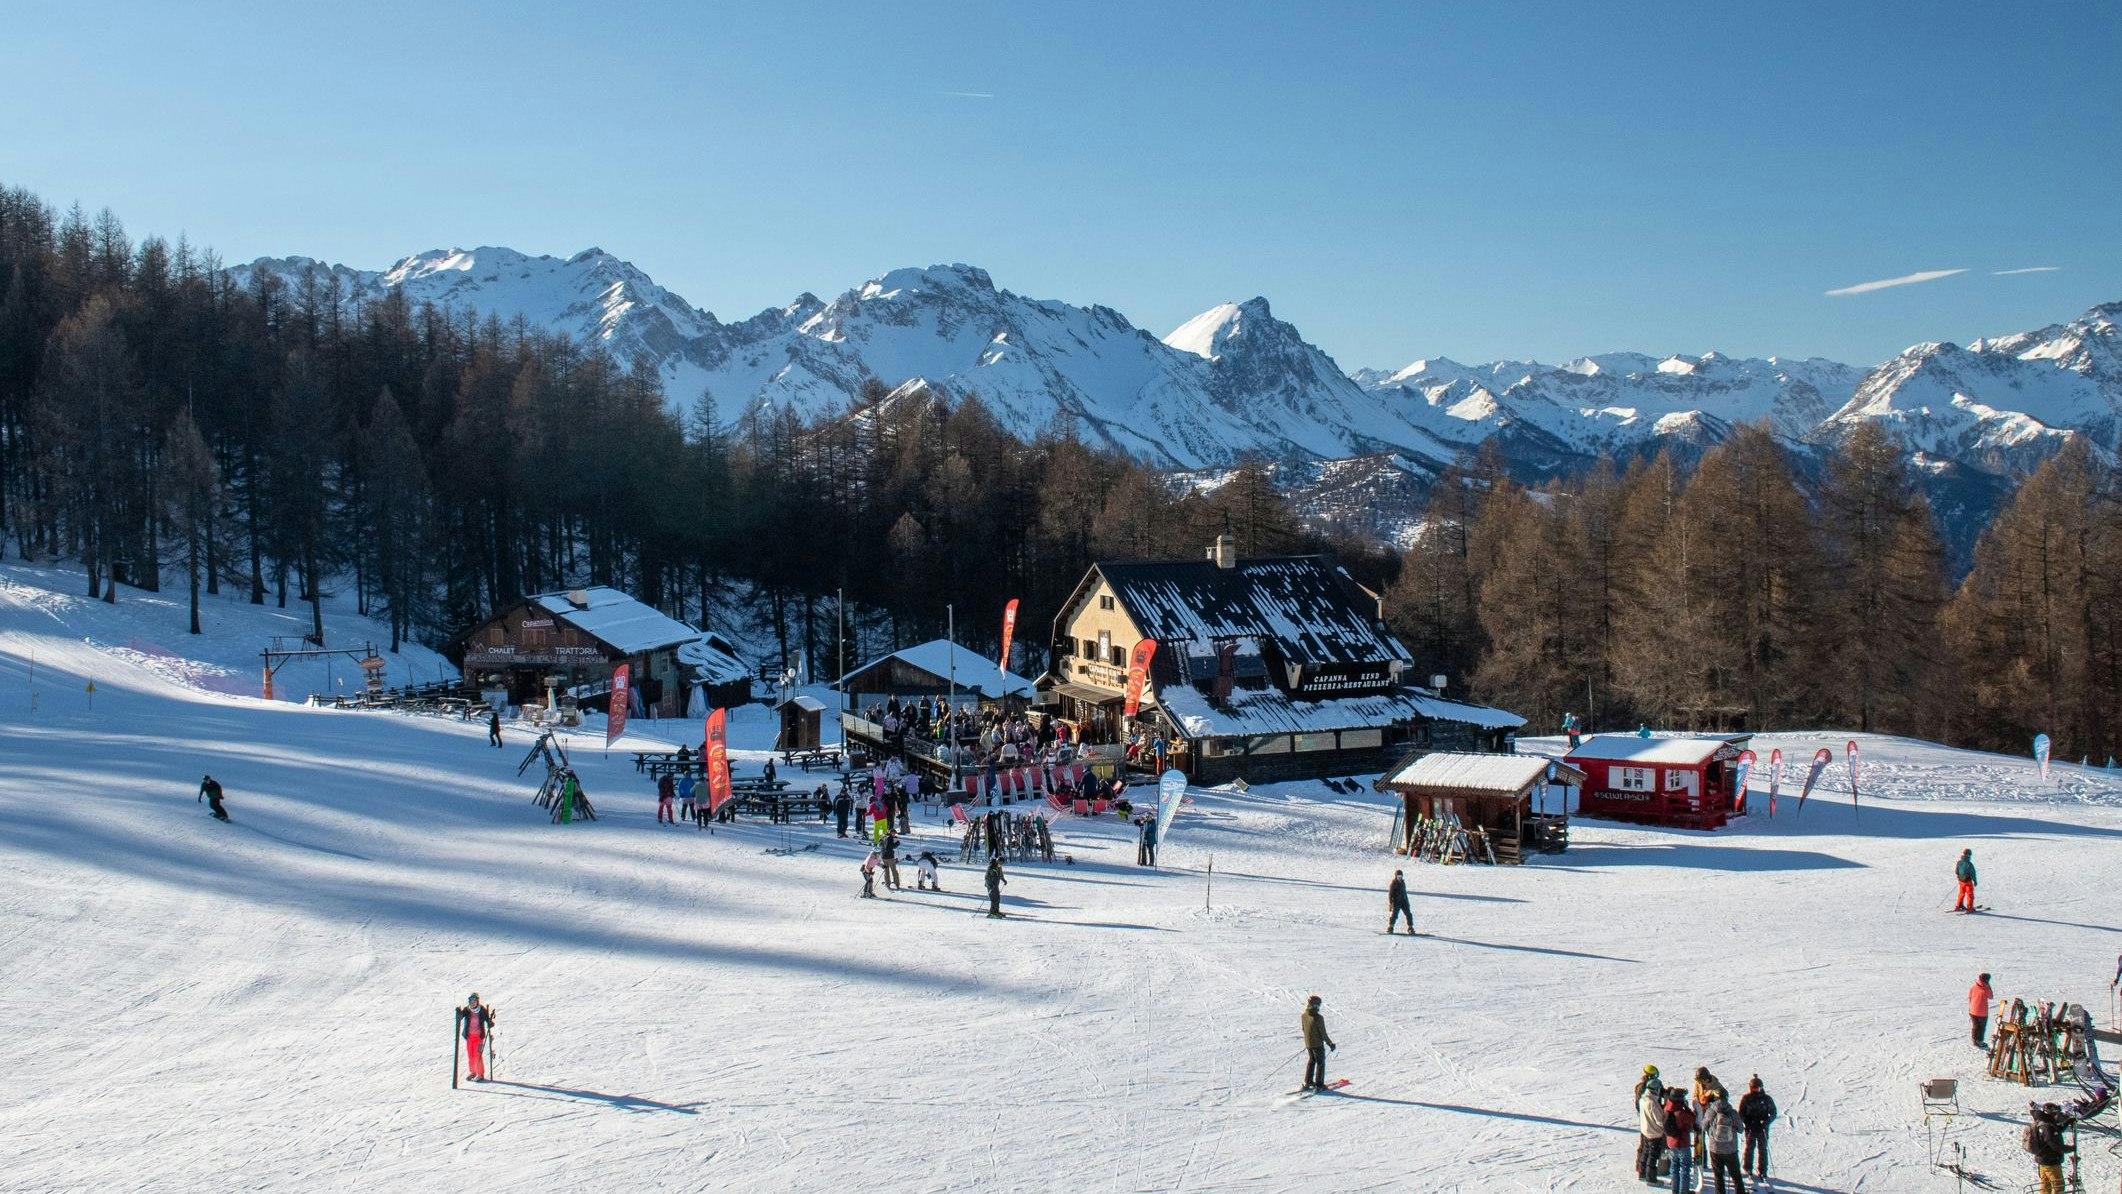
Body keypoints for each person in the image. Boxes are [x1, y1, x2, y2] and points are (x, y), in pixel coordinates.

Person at [1700, 1091, 1746, 1193]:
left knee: (1718, 1175)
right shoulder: (1732, 1112)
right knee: (1736, 1175)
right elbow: (1741, 1129)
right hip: (1731, 1149)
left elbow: (1703, 1127)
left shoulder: (1710, 1112)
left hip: (1715, 1148)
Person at [1738, 1075, 1776, 1181]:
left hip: (1762, 1128)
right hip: (1750, 1127)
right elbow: (1741, 1113)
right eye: (1754, 1088)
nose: (1756, 1090)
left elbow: (1773, 1112)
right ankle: (1747, 1167)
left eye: (1758, 1088)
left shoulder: (1766, 1099)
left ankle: (1763, 1170)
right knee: (1749, 1148)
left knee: (1763, 1149)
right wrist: (1747, 1122)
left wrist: (1766, 1122)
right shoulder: (1746, 1098)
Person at [2027, 1101, 2069, 1194]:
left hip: (2043, 1160)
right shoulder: (2047, 1127)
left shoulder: (2041, 1122)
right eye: (2056, 1114)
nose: (2057, 1116)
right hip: (2051, 1161)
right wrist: (2071, 1148)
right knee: (2058, 1186)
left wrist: (2066, 1123)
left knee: (2046, 1185)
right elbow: (2054, 1144)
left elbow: (2055, 1130)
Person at [1636, 1066, 1668, 1184]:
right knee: (1652, 1156)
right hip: (1654, 1133)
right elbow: (1659, 1120)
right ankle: (1651, 1178)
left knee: (1645, 1152)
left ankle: (1642, 1173)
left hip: (1645, 1129)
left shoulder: (1643, 1098)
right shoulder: (1652, 1103)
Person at [1299, 994, 1336, 1092]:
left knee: (1312, 1061)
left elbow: (1304, 1029)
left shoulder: (1304, 1015)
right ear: (1315, 1005)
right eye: (1318, 1005)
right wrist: (1330, 1044)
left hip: (1308, 1044)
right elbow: (1323, 1034)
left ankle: (1307, 1082)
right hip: (1317, 1045)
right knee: (1320, 1063)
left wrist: (1309, 1040)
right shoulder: (1318, 1018)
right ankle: (1319, 1085)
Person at [1663, 1089, 1696, 1194]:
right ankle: (1683, 1191)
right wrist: (1687, 1108)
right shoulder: (1680, 1113)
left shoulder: (1667, 1108)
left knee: (1674, 1167)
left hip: (1671, 1143)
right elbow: (1692, 1119)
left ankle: (1675, 1190)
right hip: (1682, 1143)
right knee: (1685, 1169)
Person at [456, 993, 495, 1083]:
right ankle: (473, 1072)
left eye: (474, 1000)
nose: (472, 1002)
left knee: (477, 1055)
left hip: (478, 1037)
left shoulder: (482, 1010)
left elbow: (487, 1020)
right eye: (471, 1001)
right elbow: (461, 1017)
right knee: (471, 1055)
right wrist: (459, 1013)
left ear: (477, 1001)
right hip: (469, 1036)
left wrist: (490, 1023)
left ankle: (480, 1074)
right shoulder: (467, 1009)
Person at [1970, 972, 1995, 1049]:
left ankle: (1974, 1040)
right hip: (1982, 1012)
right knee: (1981, 1028)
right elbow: (1991, 996)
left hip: (1973, 1010)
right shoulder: (1986, 988)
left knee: (1975, 1026)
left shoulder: (1974, 986)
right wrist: (1989, 986)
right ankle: (1980, 1041)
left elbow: (1970, 996)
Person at [1387, 869, 1414, 935]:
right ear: (1396, 877)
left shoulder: (1403, 883)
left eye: (1401, 877)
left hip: (1404, 902)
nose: (1400, 878)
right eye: (1398, 877)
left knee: (1409, 914)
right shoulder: (1393, 884)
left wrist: (1407, 902)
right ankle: (1390, 927)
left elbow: (1404, 893)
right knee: (1394, 915)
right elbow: (1390, 894)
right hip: (1397, 902)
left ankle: (1410, 928)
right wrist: (1390, 904)